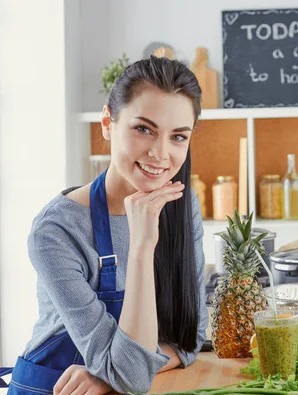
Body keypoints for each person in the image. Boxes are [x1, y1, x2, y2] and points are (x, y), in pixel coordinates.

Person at [0, 56, 208, 395]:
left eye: (178, 137)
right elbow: (133, 377)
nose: (160, 153)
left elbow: (190, 339)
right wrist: (142, 247)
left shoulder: (182, 208)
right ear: (108, 122)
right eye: (144, 129)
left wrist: (110, 373)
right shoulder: (56, 231)